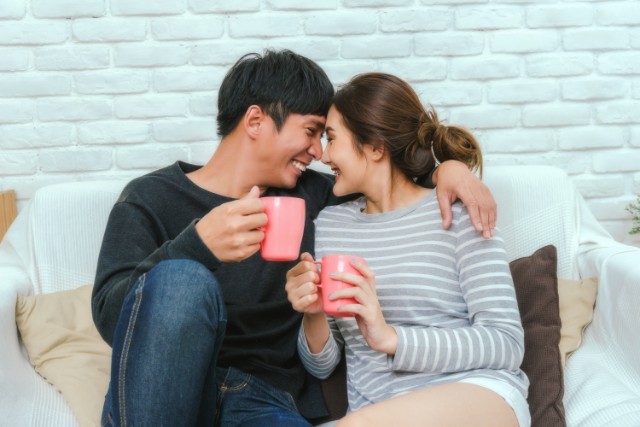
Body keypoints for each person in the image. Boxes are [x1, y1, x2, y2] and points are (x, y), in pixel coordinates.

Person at [92, 50, 497, 426]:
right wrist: (197, 246)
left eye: (326, 136)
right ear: (255, 121)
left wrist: (450, 169)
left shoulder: (318, 198)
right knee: (183, 280)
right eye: (311, 131)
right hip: (165, 396)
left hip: (263, 400)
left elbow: (391, 176)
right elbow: (113, 319)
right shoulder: (150, 197)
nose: (319, 152)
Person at [285, 72, 530, 427]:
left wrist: (390, 338)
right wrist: (313, 312)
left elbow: (506, 343)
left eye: (332, 138)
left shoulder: (457, 211)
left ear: (375, 147)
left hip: (477, 395)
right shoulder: (331, 226)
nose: (323, 154)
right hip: (377, 409)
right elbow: (322, 365)